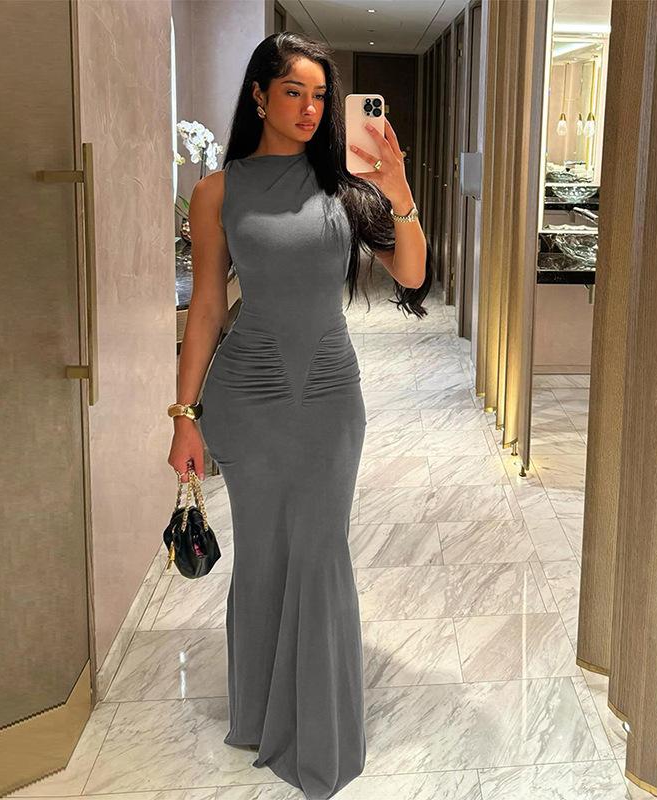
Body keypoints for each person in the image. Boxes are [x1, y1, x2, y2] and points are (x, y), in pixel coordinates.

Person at [167, 31, 432, 800]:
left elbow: (412, 273)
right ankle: (257, 714)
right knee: (263, 556)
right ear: (259, 96)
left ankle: (316, 727)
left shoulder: (348, 186)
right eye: (294, 92)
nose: (311, 109)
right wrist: (184, 415)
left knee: (319, 551)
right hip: (246, 397)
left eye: (321, 95)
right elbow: (207, 306)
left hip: (328, 396)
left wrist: (398, 189)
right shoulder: (217, 192)